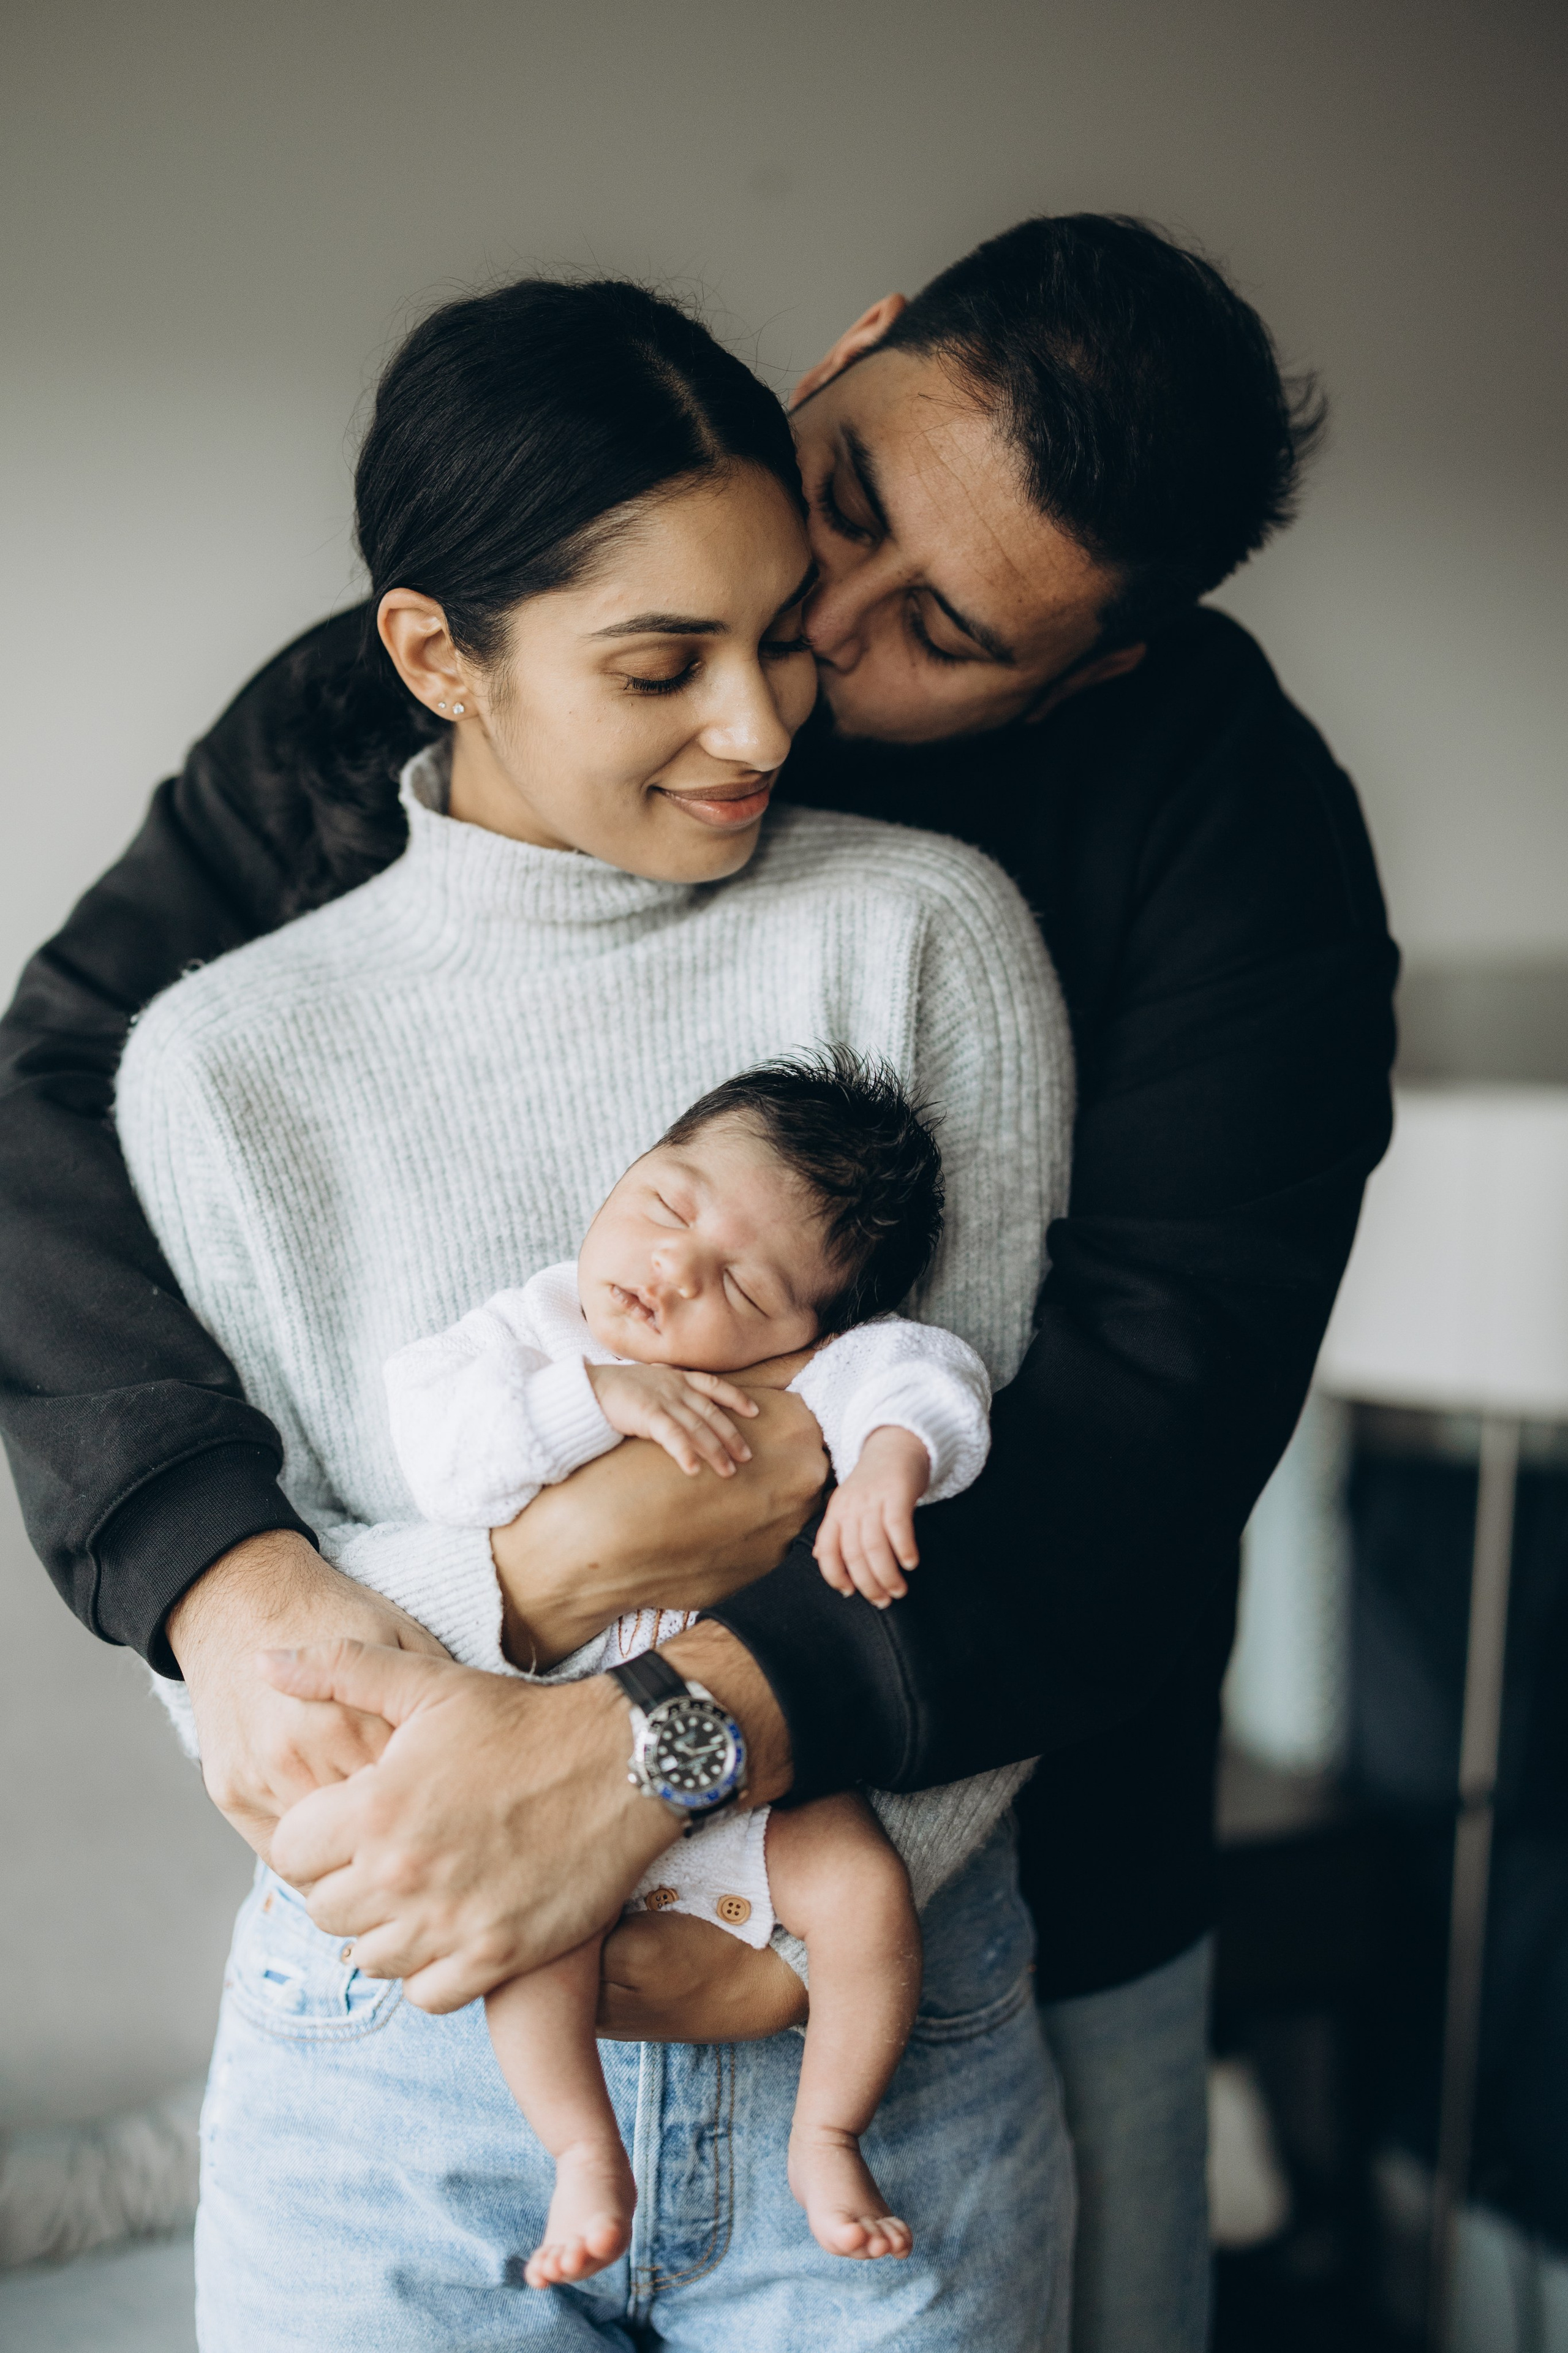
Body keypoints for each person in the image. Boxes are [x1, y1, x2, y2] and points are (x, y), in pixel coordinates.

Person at [0, 213, 1399, 2352]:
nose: (807, 644)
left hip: (1000, 1856)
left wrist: (692, 1767)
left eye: (936, 627)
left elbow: (1144, 1417)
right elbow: (54, 1109)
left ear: (1092, 666)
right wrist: (235, 1578)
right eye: (839, 495)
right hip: (444, 1947)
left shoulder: (1199, 835)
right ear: (844, 350)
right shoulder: (376, 716)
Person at [108, 270, 1076, 2347]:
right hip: (404, 2048)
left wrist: (813, 1911)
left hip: (870, 2030)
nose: (766, 719)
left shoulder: (921, 941)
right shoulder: (220, 1064)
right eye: (665, 666)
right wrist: (543, 1658)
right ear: (437, 654)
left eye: (770, 633)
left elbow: (1001, 1513)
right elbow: (259, 1670)